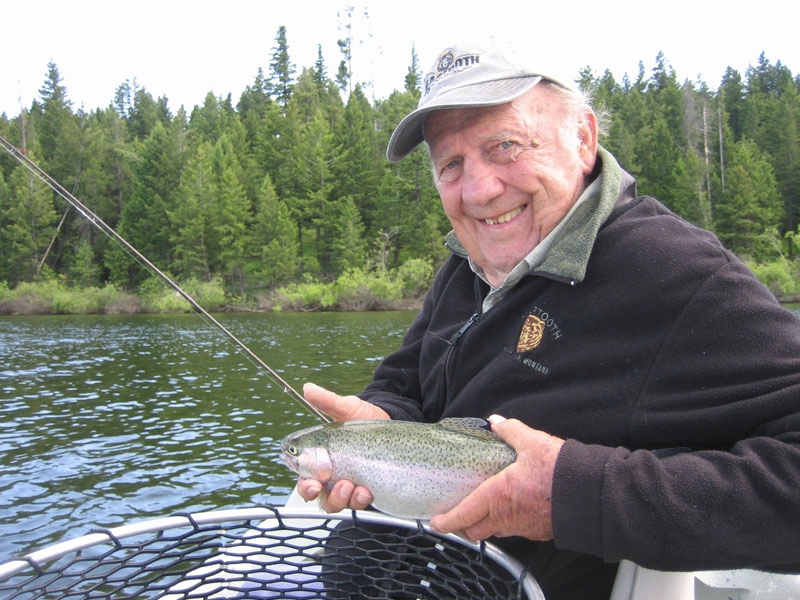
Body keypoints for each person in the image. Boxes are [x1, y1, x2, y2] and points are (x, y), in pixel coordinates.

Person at [295, 41, 800, 599]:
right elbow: (405, 382)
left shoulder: (675, 275)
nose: (479, 190)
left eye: (505, 146)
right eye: (451, 165)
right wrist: (385, 426)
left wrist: (572, 495)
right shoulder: (468, 265)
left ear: (582, 138)